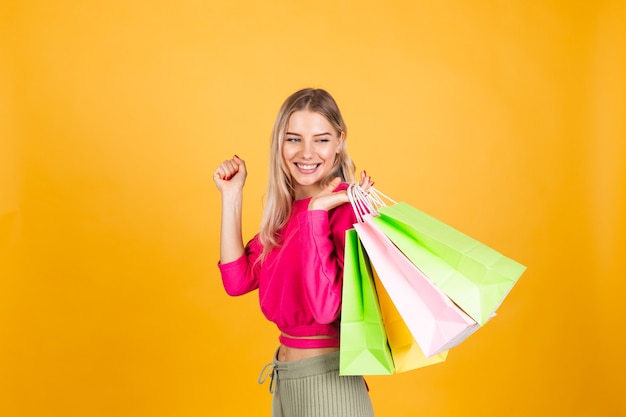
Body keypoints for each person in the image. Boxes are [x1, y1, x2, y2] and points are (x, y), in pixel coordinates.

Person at [213, 88, 375, 417]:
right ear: (279, 144)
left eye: (321, 139)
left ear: (340, 141)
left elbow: (328, 309)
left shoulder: (349, 207)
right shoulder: (285, 213)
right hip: (285, 382)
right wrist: (232, 196)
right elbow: (237, 281)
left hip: (330, 386)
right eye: (293, 139)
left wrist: (317, 213)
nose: (307, 152)